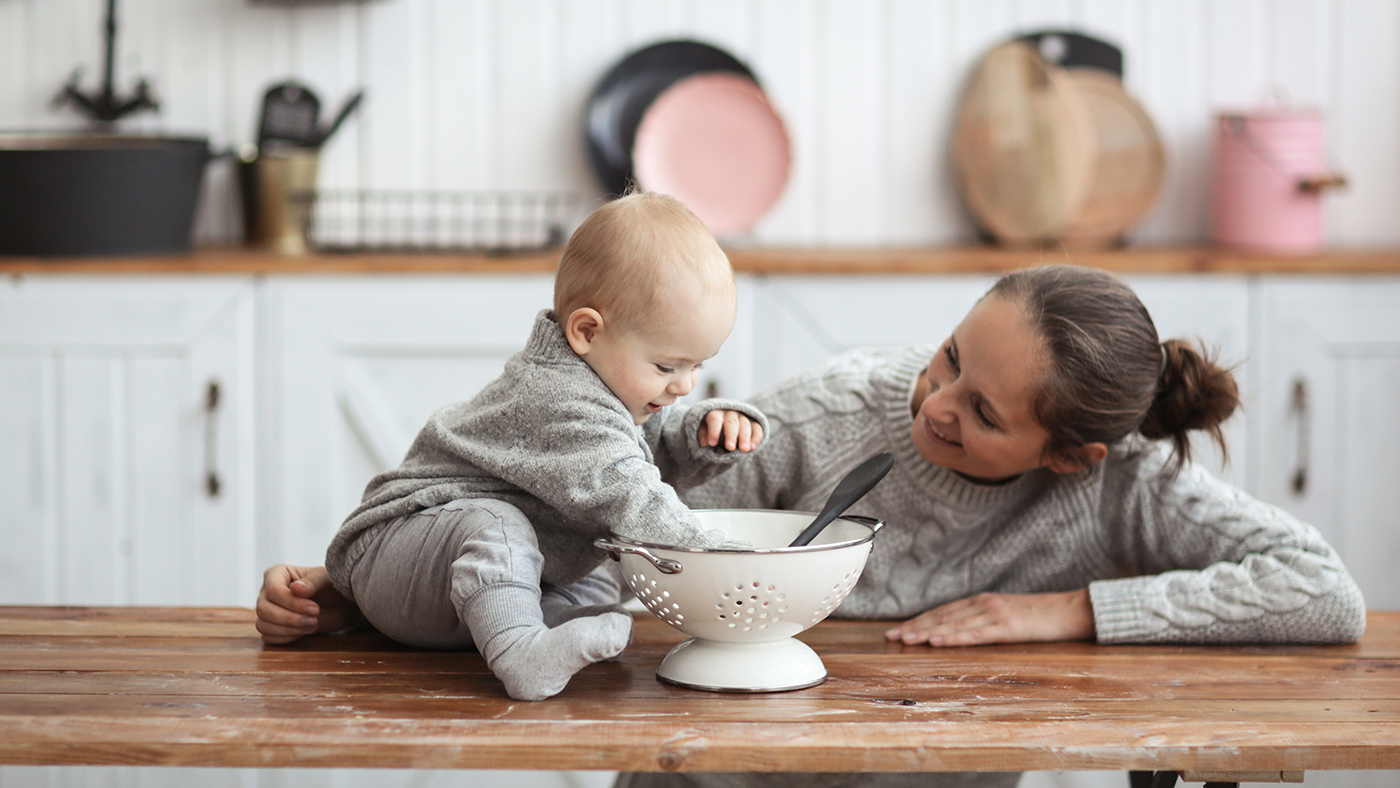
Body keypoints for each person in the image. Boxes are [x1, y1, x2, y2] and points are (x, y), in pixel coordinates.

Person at [257, 264, 1366, 788]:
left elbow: (1319, 589)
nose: (932, 403)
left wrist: (1062, 610)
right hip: (716, 774)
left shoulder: (1121, 482)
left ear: (1068, 454)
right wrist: (367, 590)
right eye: (947, 359)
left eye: (981, 413)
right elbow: (592, 497)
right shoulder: (839, 411)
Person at [276, 191, 768, 703]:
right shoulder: (558, 398)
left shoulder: (610, 391)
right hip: (397, 553)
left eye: (697, 367)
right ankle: (521, 654)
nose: (685, 385)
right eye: (667, 367)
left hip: (473, 588)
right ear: (586, 331)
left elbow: (641, 450)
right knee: (501, 525)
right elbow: (628, 488)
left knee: (602, 570)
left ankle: (536, 622)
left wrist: (702, 433)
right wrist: (723, 559)